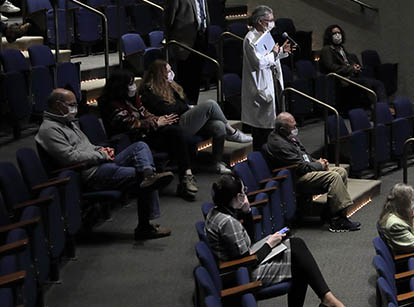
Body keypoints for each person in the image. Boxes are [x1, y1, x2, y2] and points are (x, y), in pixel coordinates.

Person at [36, 89, 174, 240]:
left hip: (99, 163)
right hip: (90, 173)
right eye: (71, 104)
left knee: (140, 146)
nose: (75, 108)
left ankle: (149, 175)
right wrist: (101, 155)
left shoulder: (67, 122)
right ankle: (144, 226)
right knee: (141, 177)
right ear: (58, 105)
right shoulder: (49, 130)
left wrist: (101, 149)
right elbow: (69, 157)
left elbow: (86, 146)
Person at [205, 174, 346, 307]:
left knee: (297, 244)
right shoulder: (228, 223)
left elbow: (248, 242)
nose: (245, 195)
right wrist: (269, 244)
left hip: (239, 265)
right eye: (243, 192)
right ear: (238, 197)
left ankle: (327, 299)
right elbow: (247, 261)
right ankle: (328, 299)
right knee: (299, 264)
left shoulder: (217, 212)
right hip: (242, 275)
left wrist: (247, 212)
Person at [98, 69, 199, 201]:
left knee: (175, 132)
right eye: (130, 84)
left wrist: (159, 119)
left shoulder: (132, 99)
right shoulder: (110, 104)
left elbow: (144, 114)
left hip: (146, 134)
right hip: (130, 141)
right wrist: (156, 123)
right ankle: (184, 177)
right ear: (120, 86)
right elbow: (131, 124)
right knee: (175, 135)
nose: (134, 86)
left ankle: (186, 176)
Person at [140, 60, 252, 175]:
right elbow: (169, 110)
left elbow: (183, 103)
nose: (171, 73)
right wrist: (183, 107)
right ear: (160, 74)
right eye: (168, 71)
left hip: (183, 118)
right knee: (211, 104)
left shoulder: (171, 85)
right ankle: (233, 133)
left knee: (218, 126)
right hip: (174, 126)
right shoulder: (150, 92)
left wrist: (183, 107)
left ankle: (216, 163)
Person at [264, 112, 361, 233]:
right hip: (294, 178)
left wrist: (318, 162)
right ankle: (337, 220)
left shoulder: (286, 136)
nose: (295, 129)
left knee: (341, 171)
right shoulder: (279, 144)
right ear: (283, 129)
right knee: (334, 176)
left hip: (304, 170)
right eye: (293, 127)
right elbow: (300, 167)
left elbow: (304, 155)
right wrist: (319, 165)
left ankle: (331, 214)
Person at [241, 5, 292, 151]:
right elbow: (258, 63)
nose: (272, 23)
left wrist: (281, 51)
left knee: (273, 123)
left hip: (273, 82)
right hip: (260, 87)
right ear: (260, 21)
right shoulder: (250, 39)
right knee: (262, 129)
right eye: (270, 20)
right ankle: (261, 160)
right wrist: (275, 54)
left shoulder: (265, 35)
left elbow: (271, 56)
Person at [164, 0, 210, 104]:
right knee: (185, 80)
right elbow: (168, 19)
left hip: (200, 38)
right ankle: (185, 110)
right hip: (184, 42)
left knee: (196, 78)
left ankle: (193, 105)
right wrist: (171, 42)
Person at [319, 24, 387, 103]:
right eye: (334, 33)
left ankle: (384, 107)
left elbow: (348, 60)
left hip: (351, 76)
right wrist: (351, 68)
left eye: (339, 33)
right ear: (329, 36)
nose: (337, 35)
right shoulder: (327, 49)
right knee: (366, 83)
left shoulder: (341, 48)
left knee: (379, 83)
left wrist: (355, 65)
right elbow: (331, 66)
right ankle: (374, 108)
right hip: (341, 80)